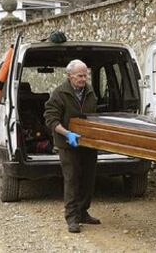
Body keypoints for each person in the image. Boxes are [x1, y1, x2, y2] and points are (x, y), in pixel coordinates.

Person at [44, 59, 100, 233]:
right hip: (68, 144)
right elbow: (51, 119)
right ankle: (72, 218)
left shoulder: (90, 91)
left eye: (86, 75)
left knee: (88, 179)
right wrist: (67, 133)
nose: (83, 79)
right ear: (69, 76)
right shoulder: (59, 93)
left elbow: (94, 115)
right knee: (72, 179)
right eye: (80, 76)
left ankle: (83, 212)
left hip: (88, 143)